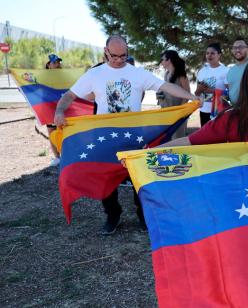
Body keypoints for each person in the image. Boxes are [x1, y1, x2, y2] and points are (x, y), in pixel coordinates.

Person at [53, 35, 199, 235]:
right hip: (104, 136)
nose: (119, 60)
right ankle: (112, 215)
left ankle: (143, 216)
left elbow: (166, 87)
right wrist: (59, 112)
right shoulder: (94, 74)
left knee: (138, 175)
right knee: (105, 176)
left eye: (123, 55)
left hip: (133, 136)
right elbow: (69, 95)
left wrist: (192, 97)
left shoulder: (138, 74)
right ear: (106, 51)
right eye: (114, 56)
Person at [157, 50, 191, 138]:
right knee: (167, 138)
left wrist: (180, 111)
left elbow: (187, 94)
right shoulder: (166, 74)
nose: (161, 62)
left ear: (169, 60)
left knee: (177, 138)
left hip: (178, 114)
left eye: (163, 59)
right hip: (167, 112)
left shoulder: (181, 75)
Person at [194, 42, 228, 126]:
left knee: (219, 138)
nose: (209, 55)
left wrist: (211, 90)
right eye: (207, 53)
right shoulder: (202, 71)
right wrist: (199, 91)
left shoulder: (226, 71)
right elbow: (197, 93)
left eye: (213, 53)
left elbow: (230, 93)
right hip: (203, 109)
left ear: (219, 55)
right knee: (205, 137)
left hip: (219, 111)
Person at [45, 54, 63, 166]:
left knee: (63, 131)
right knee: (52, 132)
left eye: (58, 62)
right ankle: (57, 157)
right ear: (48, 65)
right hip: (49, 109)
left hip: (63, 109)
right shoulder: (43, 76)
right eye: (54, 62)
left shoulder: (64, 76)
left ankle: (65, 155)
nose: (57, 64)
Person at [224, 37, 248, 104]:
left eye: (241, 47)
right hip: (235, 110)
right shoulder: (231, 70)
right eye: (235, 48)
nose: (237, 50)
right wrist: (226, 97)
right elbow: (233, 91)